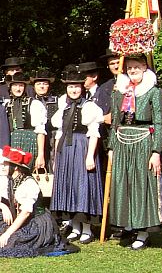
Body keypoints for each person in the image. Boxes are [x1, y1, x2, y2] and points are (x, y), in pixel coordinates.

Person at [109, 54, 162, 250]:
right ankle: (129, 225)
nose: (133, 70)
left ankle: (144, 231)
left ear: (145, 67)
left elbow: (159, 122)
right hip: (122, 143)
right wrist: (111, 147)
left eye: (137, 67)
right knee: (123, 184)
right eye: (129, 68)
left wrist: (156, 151)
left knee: (142, 185)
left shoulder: (153, 92)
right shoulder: (120, 91)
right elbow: (114, 123)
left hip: (144, 142)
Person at [0, 146, 75, 257]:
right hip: (18, 218)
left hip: (35, 222)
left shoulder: (29, 184)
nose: (3, 167)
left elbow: (25, 213)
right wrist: (3, 207)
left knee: (10, 244)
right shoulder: (5, 179)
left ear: (15, 168)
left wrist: (7, 234)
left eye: (6, 164)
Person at [50, 67, 104, 244]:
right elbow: (59, 134)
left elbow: (94, 133)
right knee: (68, 185)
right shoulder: (63, 108)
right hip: (65, 150)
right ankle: (74, 227)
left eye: (77, 87)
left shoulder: (89, 107)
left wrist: (90, 157)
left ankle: (87, 229)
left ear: (83, 88)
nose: (73, 90)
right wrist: (57, 157)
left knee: (83, 185)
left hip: (82, 147)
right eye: (70, 87)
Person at [5, 72, 48, 169]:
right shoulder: (7, 105)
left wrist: (41, 155)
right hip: (13, 143)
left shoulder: (34, 104)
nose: (18, 88)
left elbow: (40, 131)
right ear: (10, 87)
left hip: (29, 141)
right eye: (15, 85)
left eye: (21, 85)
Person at [32, 70, 59, 168]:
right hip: (35, 139)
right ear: (34, 86)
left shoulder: (57, 101)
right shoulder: (30, 102)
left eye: (45, 84)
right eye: (39, 84)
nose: (42, 86)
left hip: (52, 138)